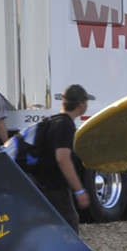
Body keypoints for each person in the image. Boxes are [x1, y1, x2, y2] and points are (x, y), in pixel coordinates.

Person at [34, 84, 94, 229]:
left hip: (39, 183)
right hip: (55, 186)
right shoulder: (66, 125)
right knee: (69, 222)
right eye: (86, 101)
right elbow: (62, 158)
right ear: (81, 105)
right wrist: (79, 190)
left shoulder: (50, 121)